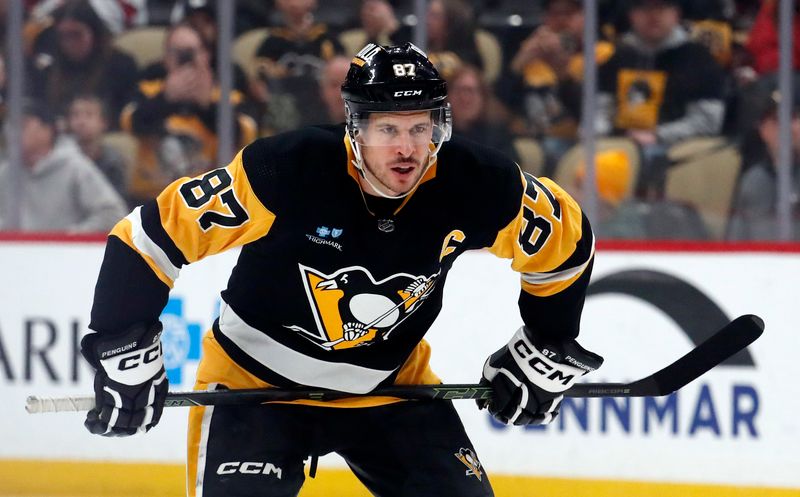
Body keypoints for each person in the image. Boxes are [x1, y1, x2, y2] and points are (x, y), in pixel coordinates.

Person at [79, 43, 602, 496]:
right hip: (252, 389)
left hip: (392, 387)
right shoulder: (287, 168)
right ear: (355, 127)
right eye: (388, 129)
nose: (406, 149)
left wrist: (546, 344)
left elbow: (568, 242)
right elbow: (147, 238)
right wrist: (124, 347)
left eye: (421, 128)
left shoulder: (477, 183)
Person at [120, 22, 258, 205]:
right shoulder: (148, 91)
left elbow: (244, 132)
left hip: (207, 199)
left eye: (191, 52)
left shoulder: (227, 98)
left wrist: (206, 106)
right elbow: (130, 122)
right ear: (166, 58)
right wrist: (166, 98)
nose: (185, 59)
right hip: (151, 198)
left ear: (206, 55)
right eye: (177, 52)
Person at [0, 100, 127, 232]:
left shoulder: (75, 168)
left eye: (22, 125)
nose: (12, 132)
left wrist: (71, 237)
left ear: (47, 131)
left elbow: (113, 214)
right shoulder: (5, 172)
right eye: (9, 125)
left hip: (64, 251)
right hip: (13, 251)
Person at [66, 93, 130, 204]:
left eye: (89, 115)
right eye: (75, 115)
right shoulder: (63, 158)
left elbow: (117, 203)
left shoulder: (113, 162)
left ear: (103, 123)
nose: (81, 122)